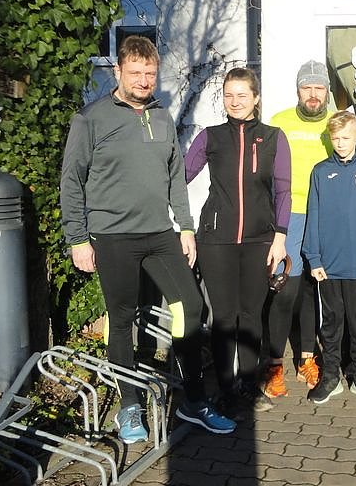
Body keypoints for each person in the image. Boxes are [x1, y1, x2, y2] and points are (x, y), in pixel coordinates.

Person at [60, 36, 234, 444]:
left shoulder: (161, 116)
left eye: (150, 73)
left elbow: (174, 176)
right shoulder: (91, 119)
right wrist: (78, 238)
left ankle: (193, 401)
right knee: (122, 319)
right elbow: (72, 180)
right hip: (112, 236)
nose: (143, 80)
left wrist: (185, 227)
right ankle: (129, 406)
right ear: (118, 71)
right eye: (135, 72)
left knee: (190, 306)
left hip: (159, 232)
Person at [184, 67, 292, 416]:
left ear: (256, 98)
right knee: (224, 317)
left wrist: (280, 237)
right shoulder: (210, 137)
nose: (235, 102)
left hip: (261, 240)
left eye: (242, 95)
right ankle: (226, 388)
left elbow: (283, 191)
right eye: (229, 95)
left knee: (250, 316)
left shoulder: (274, 137)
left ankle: (248, 384)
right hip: (216, 240)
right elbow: (180, 176)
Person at [303, 111, 356, 405]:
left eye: (346, 137)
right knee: (331, 324)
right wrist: (314, 258)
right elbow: (313, 216)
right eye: (335, 138)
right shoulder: (320, 172)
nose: (340, 143)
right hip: (328, 266)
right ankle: (330, 376)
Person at [264, 60, 333, 398]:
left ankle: (307, 358)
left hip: (324, 216)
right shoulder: (279, 122)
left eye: (319, 88)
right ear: (298, 91)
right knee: (285, 290)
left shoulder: (337, 124)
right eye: (307, 87)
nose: (313, 94)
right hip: (288, 216)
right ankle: (274, 365)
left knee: (311, 289)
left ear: (327, 91)